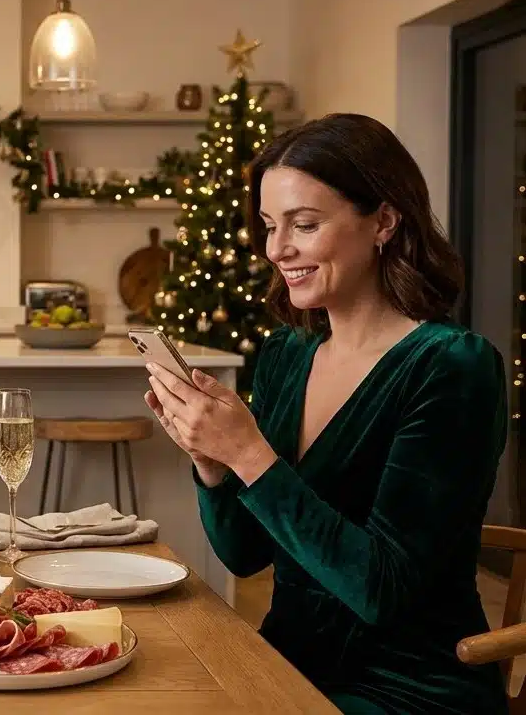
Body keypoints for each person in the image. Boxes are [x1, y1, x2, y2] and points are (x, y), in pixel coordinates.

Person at [143, 113, 508, 714]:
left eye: (304, 225)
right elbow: (244, 554)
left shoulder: (452, 367)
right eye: (268, 226)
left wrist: (249, 454)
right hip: (284, 665)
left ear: (384, 221)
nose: (277, 249)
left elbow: (381, 590)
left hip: (408, 688)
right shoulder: (288, 354)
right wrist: (211, 463)